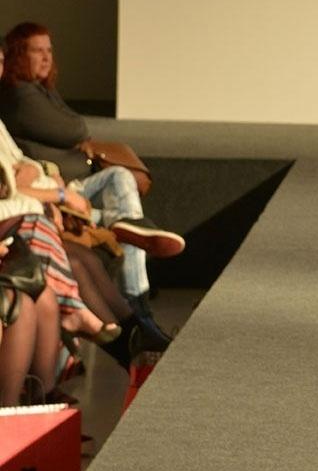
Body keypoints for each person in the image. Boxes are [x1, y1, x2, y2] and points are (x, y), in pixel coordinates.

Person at [0, 22, 185, 320]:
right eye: (38, 51)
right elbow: (74, 128)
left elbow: (33, 154)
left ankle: (126, 234)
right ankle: (137, 299)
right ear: (19, 55)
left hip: (55, 185)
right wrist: (56, 188)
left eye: (49, 50)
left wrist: (36, 170)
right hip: (56, 191)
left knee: (121, 181)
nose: (47, 58)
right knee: (118, 193)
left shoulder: (40, 89)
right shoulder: (21, 96)